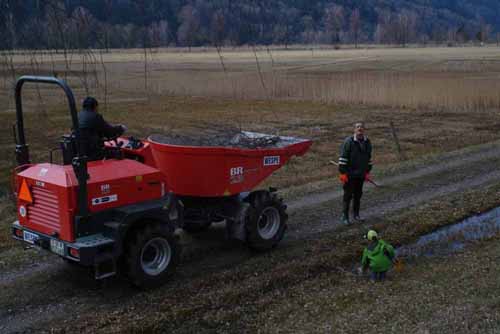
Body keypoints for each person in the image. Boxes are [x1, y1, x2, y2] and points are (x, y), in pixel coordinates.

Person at [338, 122, 373, 224]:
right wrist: (343, 173)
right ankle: (345, 217)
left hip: (361, 174)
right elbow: (343, 159)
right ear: (354, 130)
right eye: (357, 127)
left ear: (364, 129)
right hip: (349, 174)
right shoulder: (348, 142)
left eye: (362, 127)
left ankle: (356, 215)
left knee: (358, 195)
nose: (360, 128)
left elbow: (368, 158)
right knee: (348, 195)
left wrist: (367, 171)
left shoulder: (367, 142)